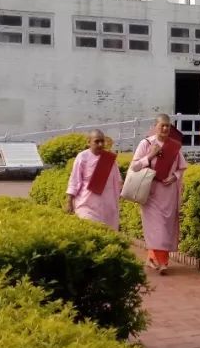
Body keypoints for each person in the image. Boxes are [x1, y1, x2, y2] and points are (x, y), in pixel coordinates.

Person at [131, 113, 187, 275]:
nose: (164, 128)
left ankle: (151, 257)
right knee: (156, 227)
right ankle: (161, 261)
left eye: (167, 126)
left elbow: (181, 168)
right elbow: (134, 167)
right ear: (155, 126)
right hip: (150, 192)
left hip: (168, 192)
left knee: (166, 226)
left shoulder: (174, 146)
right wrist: (150, 156)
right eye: (162, 125)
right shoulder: (146, 144)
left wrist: (174, 177)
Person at [65, 130, 122, 230]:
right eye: (97, 141)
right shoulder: (82, 157)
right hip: (86, 205)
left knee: (107, 238)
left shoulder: (109, 158)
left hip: (107, 207)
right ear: (89, 142)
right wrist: (69, 201)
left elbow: (117, 181)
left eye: (102, 141)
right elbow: (74, 180)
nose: (100, 144)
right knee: (89, 231)